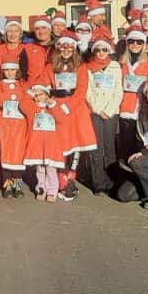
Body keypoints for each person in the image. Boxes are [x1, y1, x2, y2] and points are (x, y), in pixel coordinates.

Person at [51, 36, 95, 200]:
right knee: (60, 146)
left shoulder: (80, 66)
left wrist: (67, 107)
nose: (66, 50)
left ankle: (71, 179)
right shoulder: (51, 66)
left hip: (76, 109)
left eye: (70, 47)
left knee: (76, 146)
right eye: (63, 47)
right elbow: (44, 83)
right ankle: (61, 179)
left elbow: (81, 90)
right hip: (57, 107)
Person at [81, 39, 123, 194]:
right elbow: (87, 91)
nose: (100, 53)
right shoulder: (88, 68)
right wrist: (98, 109)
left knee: (110, 148)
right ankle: (98, 182)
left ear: (108, 51)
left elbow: (118, 89)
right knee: (96, 148)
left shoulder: (115, 66)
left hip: (111, 112)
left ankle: (111, 181)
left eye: (103, 50)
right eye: (97, 50)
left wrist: (110, 110)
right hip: (95, 111)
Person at [0, 62, 31, 198]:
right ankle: (7, 183)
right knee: (5, 153)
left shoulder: (23, 86)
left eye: (13, 70)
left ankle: (17, 183)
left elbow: (30, 104)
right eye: (7, 70)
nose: (10, 73)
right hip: (3, 124)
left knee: (18, 153)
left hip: (20, 125)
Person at [23, 84, 68, 201]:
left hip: (51, 145)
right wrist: (30, 94)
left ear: (47, 94)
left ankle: (52, 190)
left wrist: (51, 104)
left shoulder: (53, 107)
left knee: (51, 169)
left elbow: (61, 118)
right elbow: (22, 104)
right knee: (40, 169)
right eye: (36, 95)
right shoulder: (32, 108)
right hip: (37, 145)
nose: (38, 97)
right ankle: (41, 188)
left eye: (41, 94)